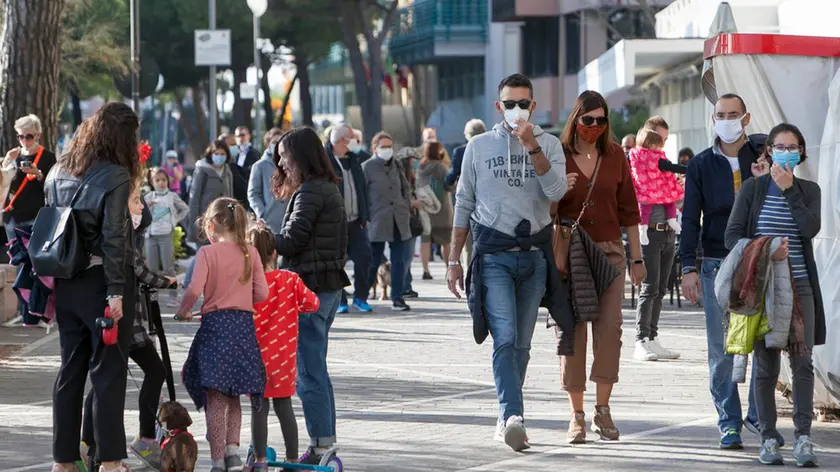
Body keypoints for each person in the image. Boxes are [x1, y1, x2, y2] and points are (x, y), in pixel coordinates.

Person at [447, 73, 570, 451]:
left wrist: (531, 144)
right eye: (509, 103)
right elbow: (464, 202)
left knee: (523, 343)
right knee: (504, 337)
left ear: (534, 106)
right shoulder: (478, 147)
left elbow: (556, 192)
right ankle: (514, 415)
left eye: (523, 103)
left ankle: (505, 416)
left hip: (534, 256)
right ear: (498, 107)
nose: (516, 110)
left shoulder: (549, 145)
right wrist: (453, 258)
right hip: (494, 257)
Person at [48, 102, 140, 472]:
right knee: (108, 373)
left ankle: (64, 460)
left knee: (70, 371)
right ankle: (111, 460)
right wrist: (116, 291)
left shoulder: (56, 171)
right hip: (102, 283)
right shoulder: (115, 176)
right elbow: (115, 237)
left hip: (66, 283)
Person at [724, 123, 823, 467]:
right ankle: (767, 438)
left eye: (792, 146)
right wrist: (766, 251)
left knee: (803, 365)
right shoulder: (753, 189)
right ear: (768, 151)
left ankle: (804, 438)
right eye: (779, 146)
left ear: (801, 152)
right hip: (764, 291)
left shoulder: (809, 190)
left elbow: (811, 228)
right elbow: (732, 236)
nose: (785, 151)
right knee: (766, 368)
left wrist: (790, 190)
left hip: (802, 289)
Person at [554, 90, 646, 444]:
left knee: (610, 330)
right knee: (572, 331)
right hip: (570, 253)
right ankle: (576, 415)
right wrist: (559, 189)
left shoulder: (615, 155)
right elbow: (543, 207)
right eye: (588, 119)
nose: (594, 126)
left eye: (601, 120)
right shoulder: (558, 155)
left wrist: (637, 259)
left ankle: (602, 410)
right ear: (576, 119)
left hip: (609, 253)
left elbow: (630, 211)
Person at [680, 93, 771, 449]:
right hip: (716, 263)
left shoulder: (762, 156)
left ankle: (757, 414)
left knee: (761, 343)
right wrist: (688, 266)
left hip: (759, 260)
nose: (727, 120)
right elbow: (690, 219)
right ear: (713, 118)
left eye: (733, 114)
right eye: (720, 114)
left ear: (746, 119)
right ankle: (729, 421)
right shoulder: (701, 164)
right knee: (722, 350)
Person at [81, 184, 177, 471]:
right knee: (148, 372)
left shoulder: (123, 231)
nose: (141, 206)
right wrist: (168, 282)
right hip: (124, 323)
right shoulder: (120, 233)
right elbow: (140, 271)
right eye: (136, 201)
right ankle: (142, 439)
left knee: (103, 380)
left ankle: (88, 445)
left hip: (119, 320)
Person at [272, 127, 351, 465]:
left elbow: (291, 241)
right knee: (316, 368)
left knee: (309, 373)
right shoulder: (326, 188)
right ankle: (324, 441)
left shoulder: (310, 193)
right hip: (326, 287)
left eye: (284, 155)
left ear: (300, 156)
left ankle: (321, 447)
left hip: (310, 291)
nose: (280, 162)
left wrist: (257, 236)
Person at [177, 198, 269, 471]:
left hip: (215, 327)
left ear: (212, 224)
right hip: (242, 328)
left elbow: (194, 289)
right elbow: (262, 293)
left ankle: (218, 461)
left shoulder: (207, 253)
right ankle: (233, 454)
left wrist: (184, 310)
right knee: (235, 395)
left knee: (215, 398)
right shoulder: (249, 252)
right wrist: (242, 297)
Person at [245, 223, 320, 470]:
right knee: (284, 406)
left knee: (259, 408)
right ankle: (291, 459)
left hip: (255, 356)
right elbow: (313, 304)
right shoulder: (289, 280)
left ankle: (260, 461)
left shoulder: (246, 285)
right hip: (283, 357)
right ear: (275, 253)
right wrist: (293, 309)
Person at [629, 126, 683, 362]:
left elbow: (676, 198)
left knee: (661, 289)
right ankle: (641, 340)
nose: (663, 143)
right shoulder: (638, 164)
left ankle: (652, 337)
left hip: (668, 233)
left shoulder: (664, 165)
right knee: (649, 288)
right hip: (649, 234)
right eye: (661, 138)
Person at [1, 114, 57, 325]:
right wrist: (7, 163)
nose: (25, 141)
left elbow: (53, 188)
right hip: (12, 217)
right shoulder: (13, 156)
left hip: (36, 216)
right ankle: (23, 310)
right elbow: (4, 186)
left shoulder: (48, 157)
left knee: (35, 263)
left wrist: (39, 174)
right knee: (18, 262)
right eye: (21, 137)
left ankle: (36, 308)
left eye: (29, 136)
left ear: (38, 135)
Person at [362, 132, 414, 311]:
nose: (387, 150)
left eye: (389, 146)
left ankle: (397, 297)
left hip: (398, 218)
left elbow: (405, 187)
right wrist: (365, 216)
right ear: (375, 148)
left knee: (399, 260)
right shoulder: (367, 167)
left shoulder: (397, 164)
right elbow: (362, 194)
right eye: (383, 146)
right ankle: (362, 294)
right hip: (377, 218)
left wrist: (406, 204)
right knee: (374, 258)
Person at [326, 123, 373, 314]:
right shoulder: (325, 161)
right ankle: (341, 300)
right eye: (351, 137)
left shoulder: (354, 159)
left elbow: (362, 189)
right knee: (337, 262)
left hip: (356, 222)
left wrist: (365, 214)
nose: (355, 141)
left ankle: (360, 297)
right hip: (334, 224)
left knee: (365, 258)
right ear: (340, 141)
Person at [185, 140, 234, 287]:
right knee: (202, 252)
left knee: (219, 253)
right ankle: (188, 282)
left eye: (222, 154)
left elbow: (230, 196)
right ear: (210, 154)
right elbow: (194, 198)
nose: (219, 156)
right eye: (216, 153)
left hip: (223, 220)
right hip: (206, 220)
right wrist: (195, 222)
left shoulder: (227, 171)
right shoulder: (202, 170)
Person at [629, 127, 683, 244]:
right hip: (659, 188)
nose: (660, 148)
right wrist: (689, 169)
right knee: (670, 201)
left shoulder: (633, 155)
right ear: (651, 144)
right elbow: (672, 167)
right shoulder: (657, 158)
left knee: (644, 209)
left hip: (643, 190)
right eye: (658, 145)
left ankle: (642, 228)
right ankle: (672, 219)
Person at [445, 119, 486, 267]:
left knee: (467, 243)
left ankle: (470, 275)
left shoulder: (460, 151)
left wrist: (448, 179)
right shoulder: (490, 148)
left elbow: (451, 177)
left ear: (468, 134)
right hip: (487, 200)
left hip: (467, 199)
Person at [417, 141, 453, 280]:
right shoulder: (441, 167)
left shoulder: (421, 167)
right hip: (442, 210)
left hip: (425, 208)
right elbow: (450, 186)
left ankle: (426, 270)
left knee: (425, 241)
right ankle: (448, 268)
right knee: (445, 241)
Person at [144, 168, 189, 277]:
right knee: (151, 268)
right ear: (152, 182)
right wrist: (147, 207)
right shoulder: (148, 197)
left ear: (168, 181)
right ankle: (151, 290)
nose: (161, 183)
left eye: (164, 180)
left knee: (168, 267)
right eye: (157, 180)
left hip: (166, 235)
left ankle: (171, 287)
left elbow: (185, 209)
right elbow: (140, 214)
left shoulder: (172, 196)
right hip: (151, 236)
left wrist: (174, 220)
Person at [248, 128, 288, 234]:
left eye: (280, 142)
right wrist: (262, 212)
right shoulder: (259, 166)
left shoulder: (290, 164)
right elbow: (253, 193)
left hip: (288, 219)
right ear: (268, 144)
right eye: (274, 142)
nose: (277, 145)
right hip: (268, 221)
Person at [397, 147, 422, 299]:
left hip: (411, 220)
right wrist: (412, 203)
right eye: (412, 159)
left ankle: (406, 284)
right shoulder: (400, 178)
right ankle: (403, 286)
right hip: (404, 220)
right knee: (405, 255)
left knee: (408, 255)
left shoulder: (412, 177)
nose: (415, 162)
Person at [231, 126, 261, 209]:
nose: (240, 138)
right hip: (234, 194)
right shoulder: (233, 154)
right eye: (238, 136)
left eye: (243, 135)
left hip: (248, 193)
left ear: (248, 136)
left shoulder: (255, 154)